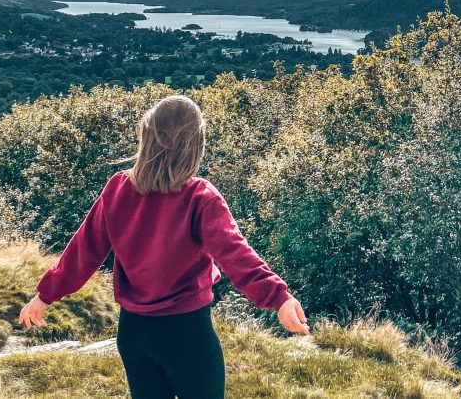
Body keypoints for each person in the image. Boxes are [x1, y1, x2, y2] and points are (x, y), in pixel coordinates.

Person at [17, 94, 308, 399]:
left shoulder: (118, 187)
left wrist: (45, 296)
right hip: (187, 334)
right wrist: (278, 297)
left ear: (147, 136)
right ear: (195, 145)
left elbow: (83, 250)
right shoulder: (200, 196)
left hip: (134, 334)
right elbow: (235, 254)